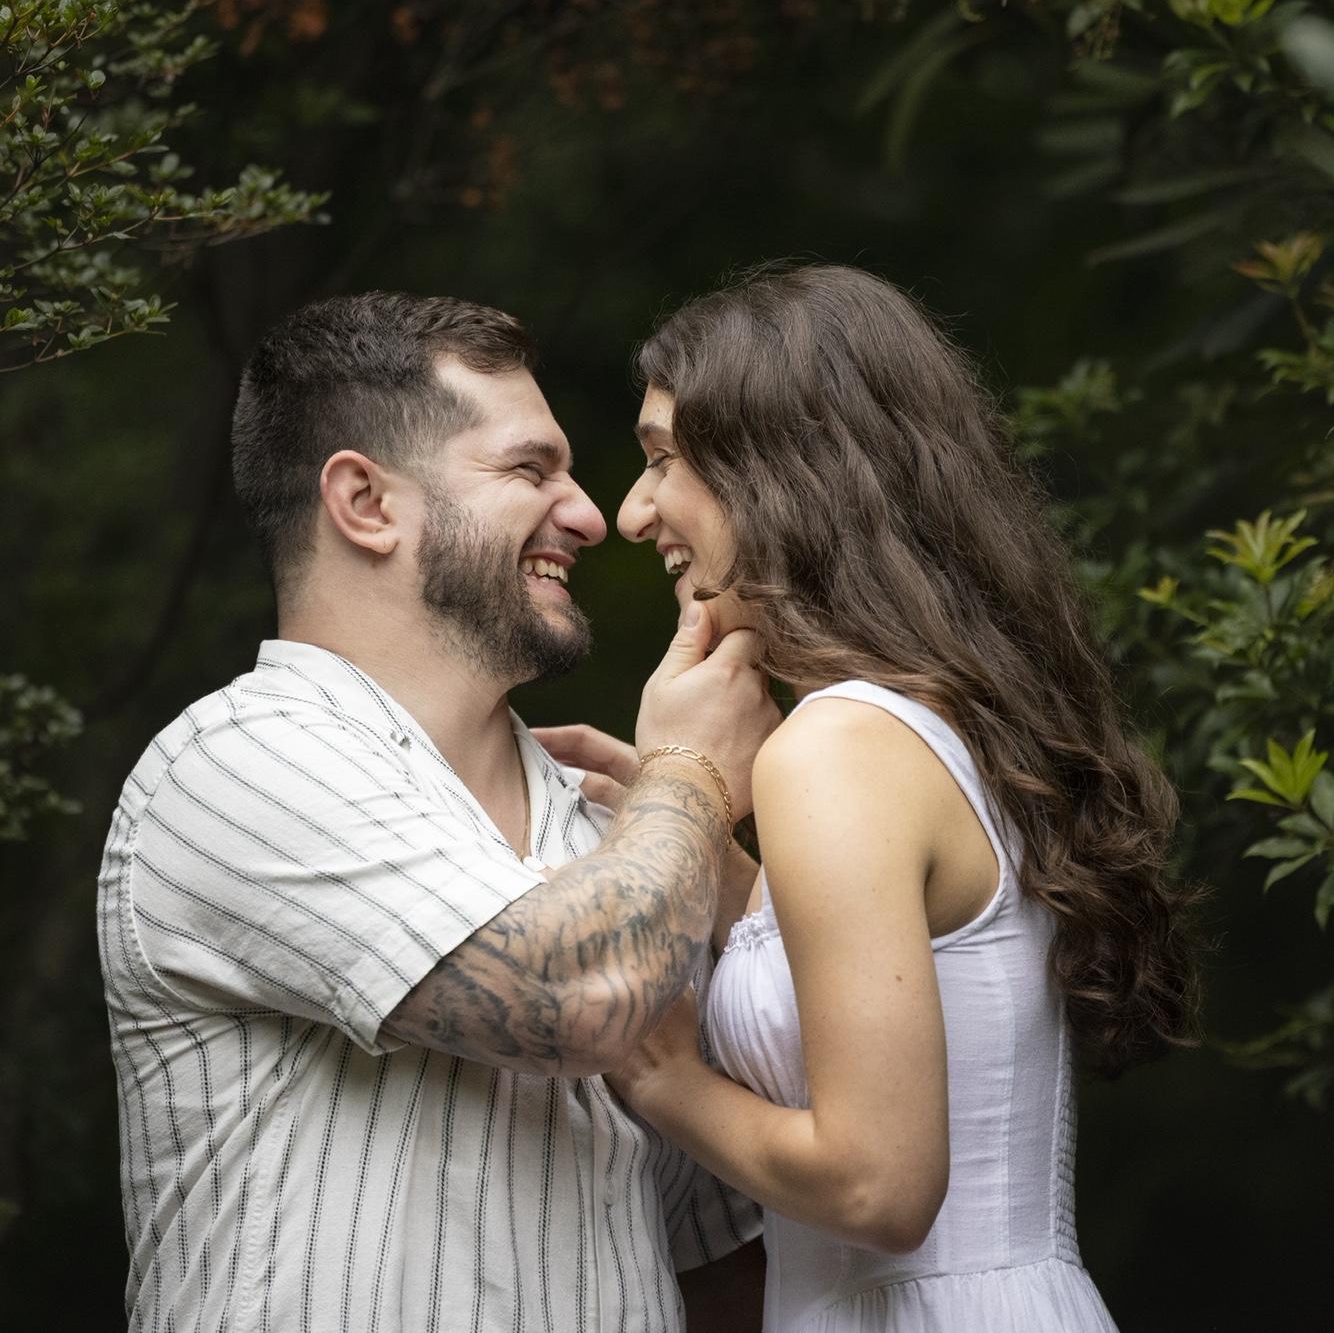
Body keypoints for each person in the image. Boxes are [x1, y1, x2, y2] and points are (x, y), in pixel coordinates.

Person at [96, 291, 780, 1333]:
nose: (592, 516)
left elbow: (717, 1253)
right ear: (365, 502)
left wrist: (692, 828)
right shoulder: (238, 761)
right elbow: (579, 993)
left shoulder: (625, 835)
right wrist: (693, 772)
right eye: (529, 470)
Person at [546, 264, 1200, 1332]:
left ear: (780, 470)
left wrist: (656, 1070)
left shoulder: (836, 746)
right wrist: (700, 837)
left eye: (662, 458)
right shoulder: (925, 720)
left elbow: (875, 1188)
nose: (631, 512)